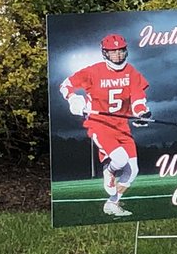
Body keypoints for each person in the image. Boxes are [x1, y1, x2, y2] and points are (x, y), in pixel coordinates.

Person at [59, 33, 150, 217]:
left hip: (121, 126)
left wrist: (141, 112)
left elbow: (138, 97)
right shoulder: (93, 71)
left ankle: (112, 204)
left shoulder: (131, 72)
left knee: (133, 170)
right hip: (99, 124)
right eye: (112, 52)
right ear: (105, 53)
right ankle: (108, 170)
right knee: (119, 159)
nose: (117, 56)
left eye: (120, 51)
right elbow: (65, 85)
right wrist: (73, 99)